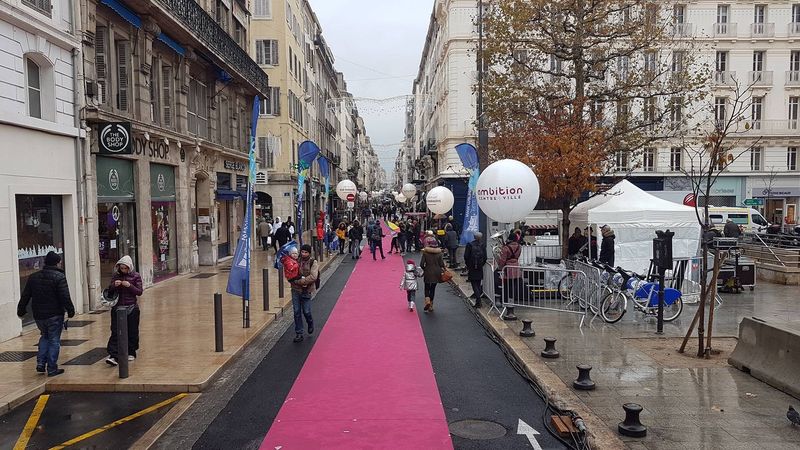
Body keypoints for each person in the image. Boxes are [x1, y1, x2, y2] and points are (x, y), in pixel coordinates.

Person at [17, 251, 75, 377]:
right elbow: (65, 296)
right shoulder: (59, 277)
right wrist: (70, 310)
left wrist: (21, 309)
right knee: (54, 340)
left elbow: (26, 295)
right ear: (57, 263)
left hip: (38, 315)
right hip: (54, 314)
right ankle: (52, 368)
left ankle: (41, 363)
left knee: (44, 336)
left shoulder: (33, 277)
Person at [105, 255, 143, 366]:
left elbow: (139, 291)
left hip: (131, 307)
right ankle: (113, 355)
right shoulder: (115, 276)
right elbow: (110, 291)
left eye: (125, 268)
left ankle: (131, 351)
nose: (123, 270)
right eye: (121, 268)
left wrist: (130, 285)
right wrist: (114, 285)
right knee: (116, 331)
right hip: (117, 308)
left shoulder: (136, 276)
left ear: (129, 267)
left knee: (132, 331)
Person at [290, 244, 319, 342]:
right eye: (302, 252)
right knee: (296, 312)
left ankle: (310, 322)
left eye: (306, 252)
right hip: (295, 290)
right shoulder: (295, 261)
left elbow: (313, 276)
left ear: (309, 253)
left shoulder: (312, 262)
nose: (303, 254)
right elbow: (290, 273)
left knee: (306, 311)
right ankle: (299, 333)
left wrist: (301, 281)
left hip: (306, 290)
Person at [420, 234, 446, 313]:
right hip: (437, 273)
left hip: (428, 271)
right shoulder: (439, 254)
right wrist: (444, 268)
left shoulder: (425, 253)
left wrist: (425, 269)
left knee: (427, 287)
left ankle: (427, 300)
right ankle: (431, 305)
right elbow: (441, 264)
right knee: (433, 288)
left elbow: (421, 264)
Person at [497, 232, 523, 306]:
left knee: (507, 286)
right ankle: (512, 301)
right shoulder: (519, 247)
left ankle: (506, 301)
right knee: (514, 285)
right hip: (516, 267)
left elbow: (502, 260)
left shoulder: (506, 248)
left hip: (507, 268)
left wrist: (500, 268)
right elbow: (517, 257)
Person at [463, 232, 487, 308]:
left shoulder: (469, 245)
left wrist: (468, 264)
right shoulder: (482, 245)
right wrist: (481, 264)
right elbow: (485, 257)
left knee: (474, 284)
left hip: (472, 266)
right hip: (479, 266)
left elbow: (466, 256)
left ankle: (478, 300)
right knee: (478, 283)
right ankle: (478, 300)